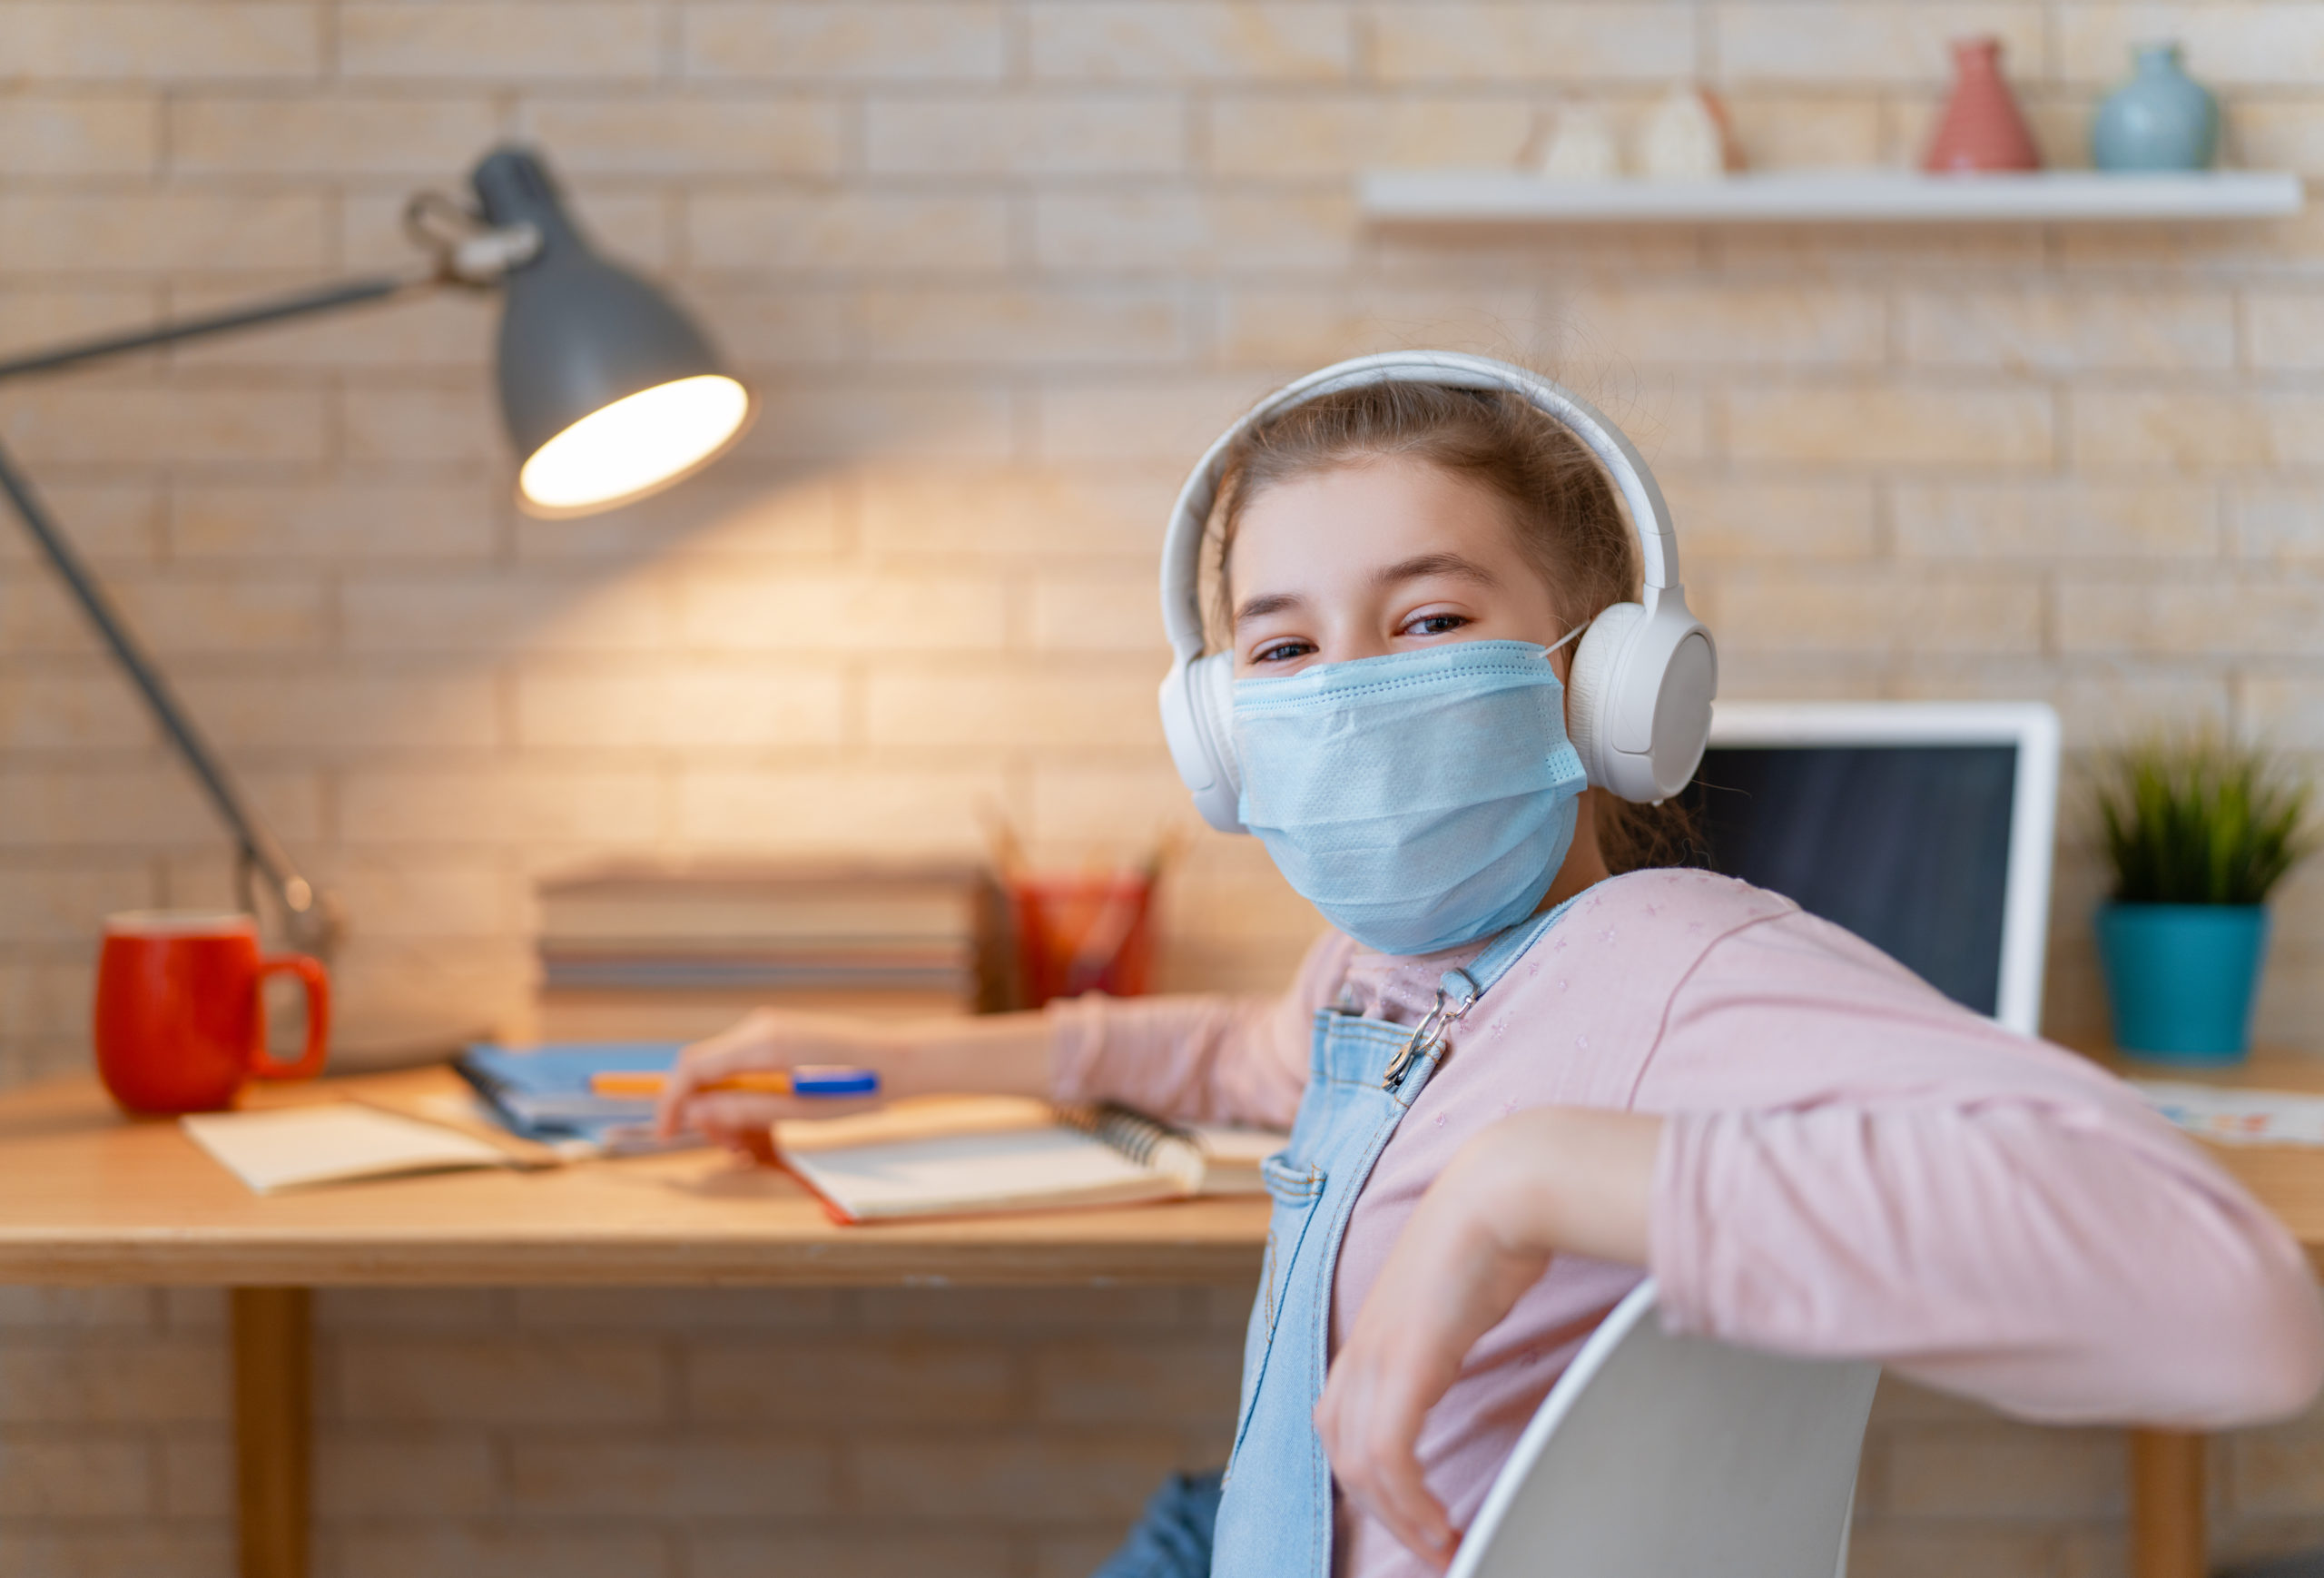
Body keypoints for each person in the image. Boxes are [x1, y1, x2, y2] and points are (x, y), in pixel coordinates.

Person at [657, 355, 2324, 1578]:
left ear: (1607, 685)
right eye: (1285, 646)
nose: (1346, 685)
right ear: (1229, 734)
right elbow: (1221, 1054)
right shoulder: (1391, 977)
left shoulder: (1681, 965)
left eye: (1431, 619)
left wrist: (1541, 1176)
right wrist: (870, 1051)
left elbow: (2234, 1306)